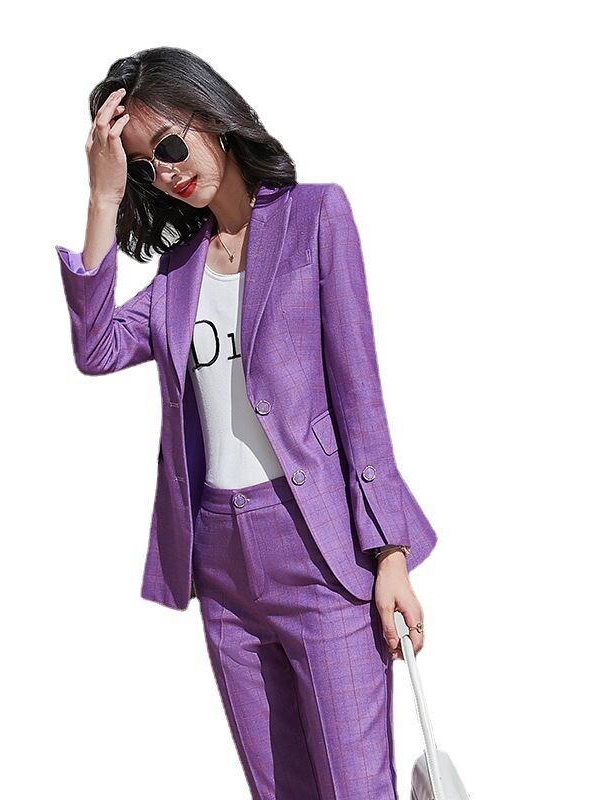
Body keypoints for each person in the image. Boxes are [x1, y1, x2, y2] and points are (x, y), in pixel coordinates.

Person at [55, 46, 438, 800]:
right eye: (145, 167)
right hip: (222, 565)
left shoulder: (315, 216)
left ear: (214, 117)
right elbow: (95, 348)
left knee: (355, 787)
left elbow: (360, 393)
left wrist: (390, 553)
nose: (166, 174)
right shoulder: (177, 274)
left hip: (320, 552)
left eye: (170, 147)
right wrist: (102, 197)